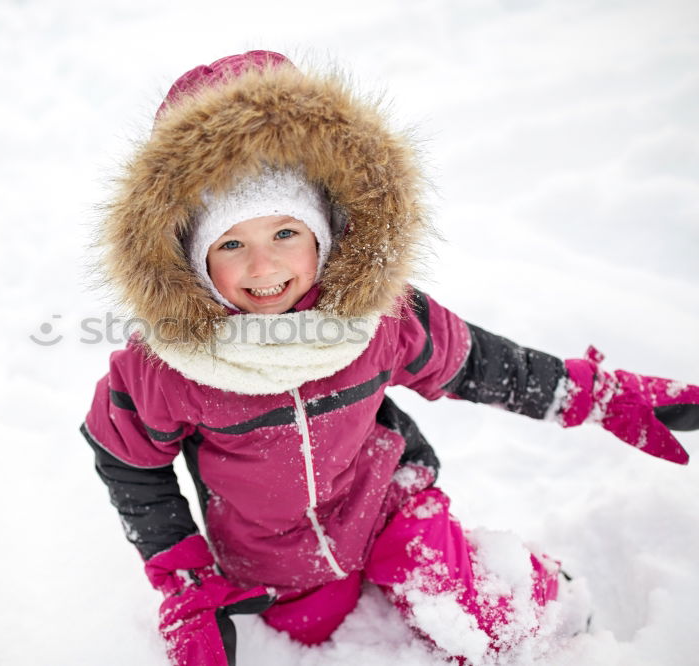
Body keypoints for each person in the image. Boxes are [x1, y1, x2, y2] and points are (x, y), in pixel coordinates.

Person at [80, 51, 699, 665]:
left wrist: (592, 392)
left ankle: (545, 594)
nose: (264, 267)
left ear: (324, 232)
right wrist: (185, 581)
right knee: (308, 631)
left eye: (286, 234)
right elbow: (129, 465)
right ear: (191, 257)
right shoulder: (166, 368)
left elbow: (480, 364)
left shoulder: (375, 319)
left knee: (473, 618)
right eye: (232, 242)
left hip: (387, 501)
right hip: (270, 552)